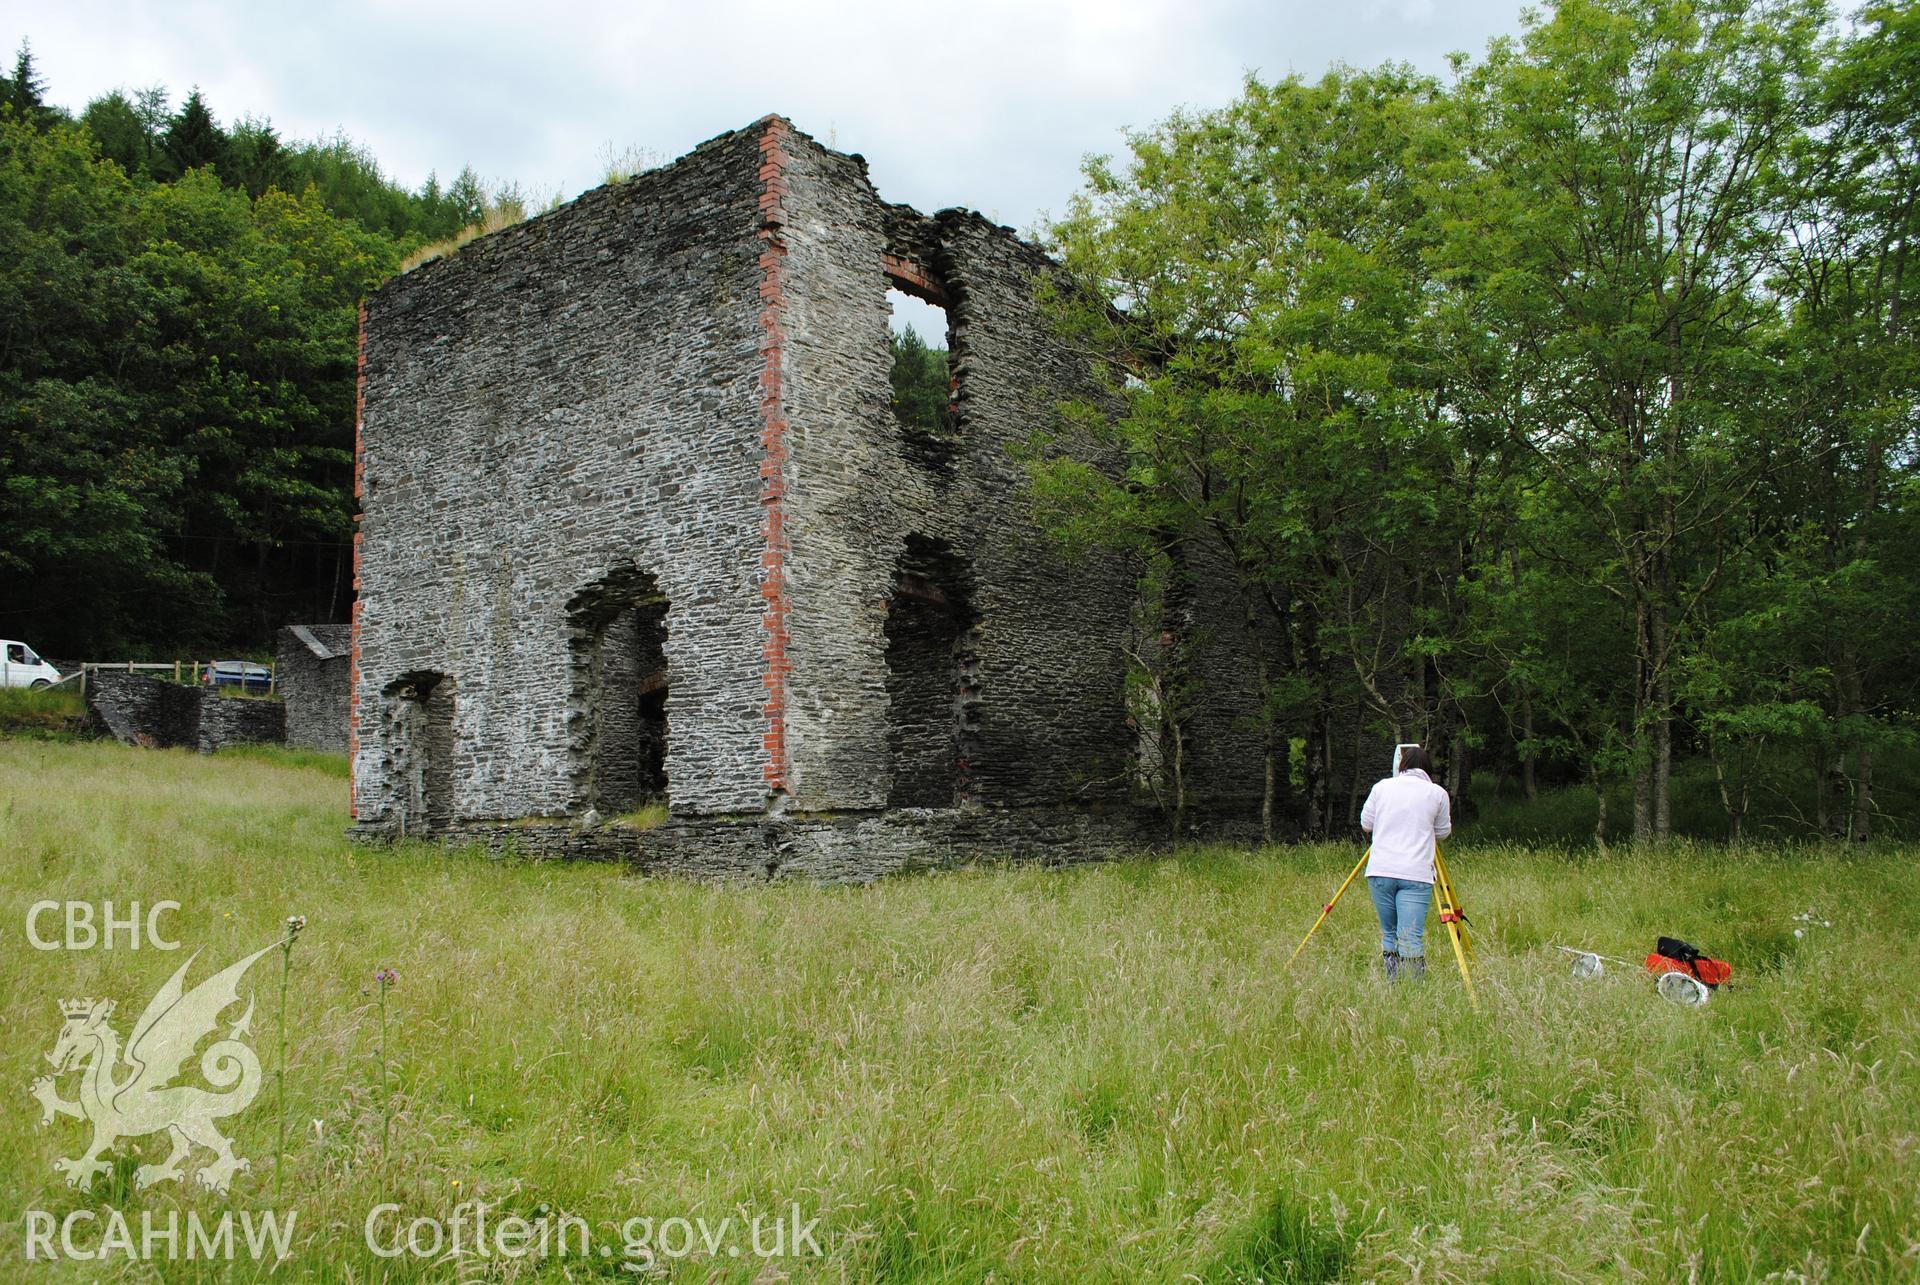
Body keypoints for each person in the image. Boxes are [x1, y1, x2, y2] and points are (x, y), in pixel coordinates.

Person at [1358, 745, 1452, 980]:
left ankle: (1392, 982)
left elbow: (1366, 824)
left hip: (1380, 870)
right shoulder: (1437, 793)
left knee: (1389, 932)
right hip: (1415, 873)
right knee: (1410, 936)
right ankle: (1412, 989)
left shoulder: (1381, 788)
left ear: (1402, 766)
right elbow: (1442, 832)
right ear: (1427, 769)